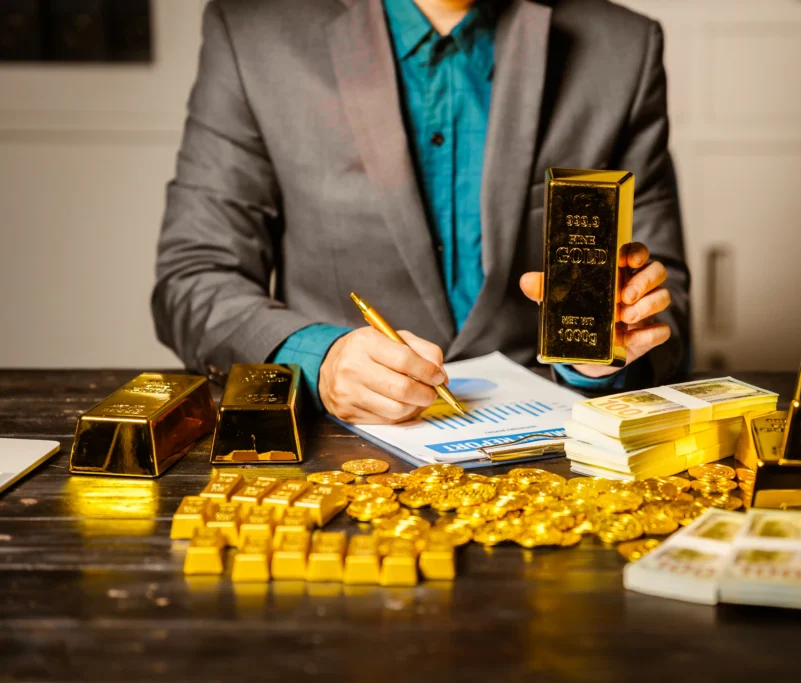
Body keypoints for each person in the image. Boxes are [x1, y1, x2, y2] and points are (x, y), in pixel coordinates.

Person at [152, 0, 690, 424]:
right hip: (333, 456)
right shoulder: (252, 31)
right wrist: (321, 359)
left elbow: (669, 302)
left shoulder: (624, 46)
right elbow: (194, 280)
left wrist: (603, 355)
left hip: (557, 453)